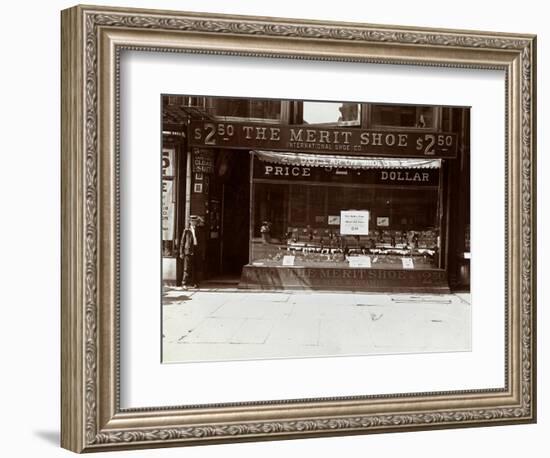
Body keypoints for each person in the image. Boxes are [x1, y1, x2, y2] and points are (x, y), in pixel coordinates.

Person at [179, 218, 198, 289]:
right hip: (188, 251)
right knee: (186, 268)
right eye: (192, 221)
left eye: (195, 221)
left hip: (196, 250)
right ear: (190, 222)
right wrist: (181, 252)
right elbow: (182, 242)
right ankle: (184, 283)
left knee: (194, 267)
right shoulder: (186, 230)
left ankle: (193, 283)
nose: (194, 222)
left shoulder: (198, 230)